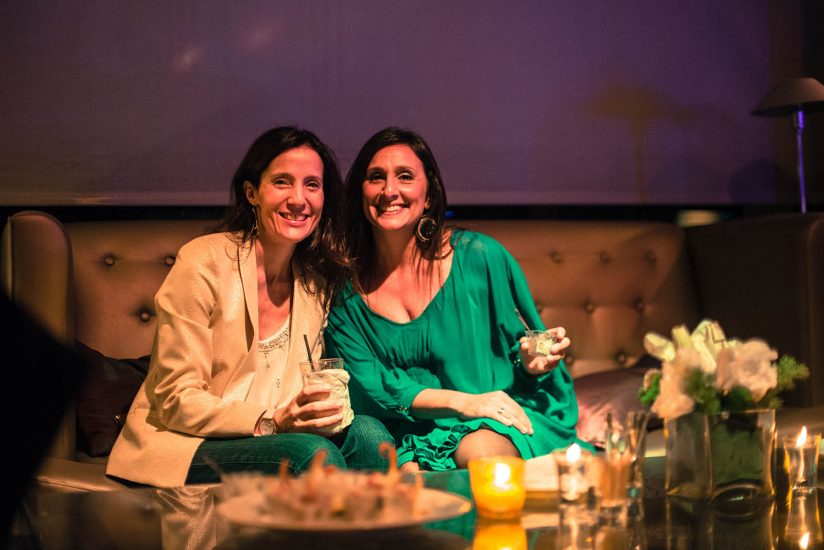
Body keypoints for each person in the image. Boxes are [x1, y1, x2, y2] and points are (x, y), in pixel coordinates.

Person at [107, 126, 393, 487]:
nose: (299, 199)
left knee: (371, 437)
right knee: (311, 455)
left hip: (277, 436)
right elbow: (177, 400)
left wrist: (314, 410)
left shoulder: (315, 284)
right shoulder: (203, 261)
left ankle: (366, 524)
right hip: (185, 441)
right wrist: (272, 420)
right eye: (282, 182)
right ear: (252, 192)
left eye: (312, 185)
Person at [324, 127, 583, 472]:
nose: (389, 191)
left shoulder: (480, 257)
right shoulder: (342, 294)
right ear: (360, 191)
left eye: (405, 176)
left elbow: (529, 343)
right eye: (376, 177)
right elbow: (372, 386)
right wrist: (465, 403)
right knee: (408, 477)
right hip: (408, 434)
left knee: (481, 454)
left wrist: (533, 359)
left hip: (493, 419)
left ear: (429, 196)